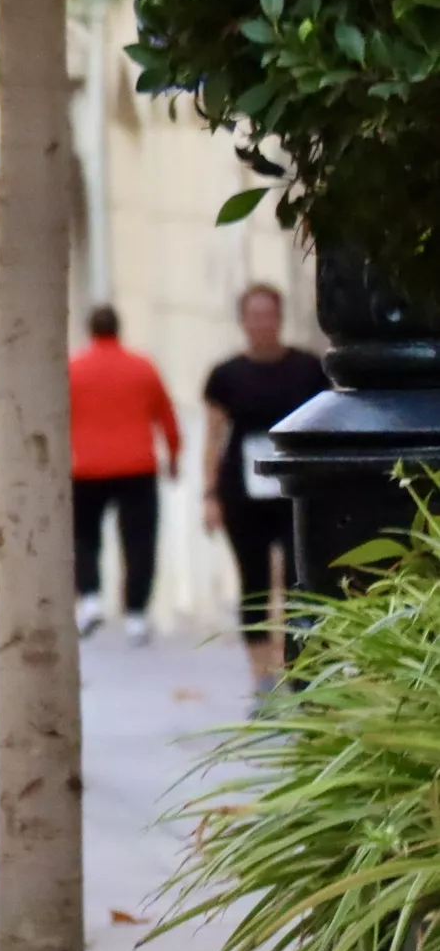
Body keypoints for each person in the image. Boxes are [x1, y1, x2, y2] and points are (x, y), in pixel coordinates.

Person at [201, 284, 325, 706]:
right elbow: (214, 437)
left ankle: (296, 668)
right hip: (244, 491)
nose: (261, 324)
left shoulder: (309, 368)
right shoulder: (226, 375)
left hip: (297, 491)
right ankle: (261, 676)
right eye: (253, 316)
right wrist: (210, 495)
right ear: (243, 321)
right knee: (253, 582)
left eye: (267, 315)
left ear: (279, 318)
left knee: (297, 579)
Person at [67, 305, 180, 645]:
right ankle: (136, 614)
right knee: (139, 541)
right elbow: (166, 414)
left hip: (86, 467)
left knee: (84, 536)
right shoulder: (142, 367)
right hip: (136, 466)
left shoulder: (74, 370)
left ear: (90, 330)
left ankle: (90, 598)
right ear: (119, 329)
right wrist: (173, 455)